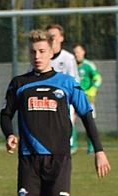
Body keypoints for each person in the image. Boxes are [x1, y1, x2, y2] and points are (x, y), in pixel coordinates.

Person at [0, 30, 110, 196]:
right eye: (33, 52)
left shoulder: (67, 83)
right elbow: (6, 114)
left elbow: (86, 115)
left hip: (59, 157)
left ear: (52, 52)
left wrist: (99, 151)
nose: (37, 56)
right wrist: (9, 134)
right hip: (29, 157)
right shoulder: (19, 83)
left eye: (42, 52)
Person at [45, 24, 81, 154]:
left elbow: (74, 82)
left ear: (61, 38)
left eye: (53, 36)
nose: (51, 39)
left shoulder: (68, 58)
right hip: (45, 103)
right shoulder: (42, 58)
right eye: (48, 36)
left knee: (64, 136)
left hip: (63, 102)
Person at [73, 43, 102, 154]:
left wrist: (92, 89)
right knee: (71, 121)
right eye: (74, 52)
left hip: (87, 99)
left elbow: (98, 79)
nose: (76, 54)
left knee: (90, 121)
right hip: (73, 97)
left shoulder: (89, 65)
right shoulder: (71, 65)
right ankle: (72, 146)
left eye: (78, 52)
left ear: (83, 52)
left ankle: (91, 147)